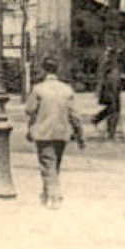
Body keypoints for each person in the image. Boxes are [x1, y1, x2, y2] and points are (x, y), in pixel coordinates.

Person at [24, 56, 86, 209]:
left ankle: (55, 196)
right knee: (54, 164)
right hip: (62, 132)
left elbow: (29, 110)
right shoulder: (67, 90)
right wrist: (80, 135)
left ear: (44, 69)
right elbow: (75, 115)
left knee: (47, 164)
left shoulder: (38, 89)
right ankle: (46, 194)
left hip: (43, 131)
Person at [92, 53, 124, 140]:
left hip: (112, 90)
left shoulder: (112, 66)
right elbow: (109, 80)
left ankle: (98, 119)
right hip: (111, 90)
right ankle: (111, 133)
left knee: (113, 110)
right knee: (114, 111)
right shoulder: (110, 66)